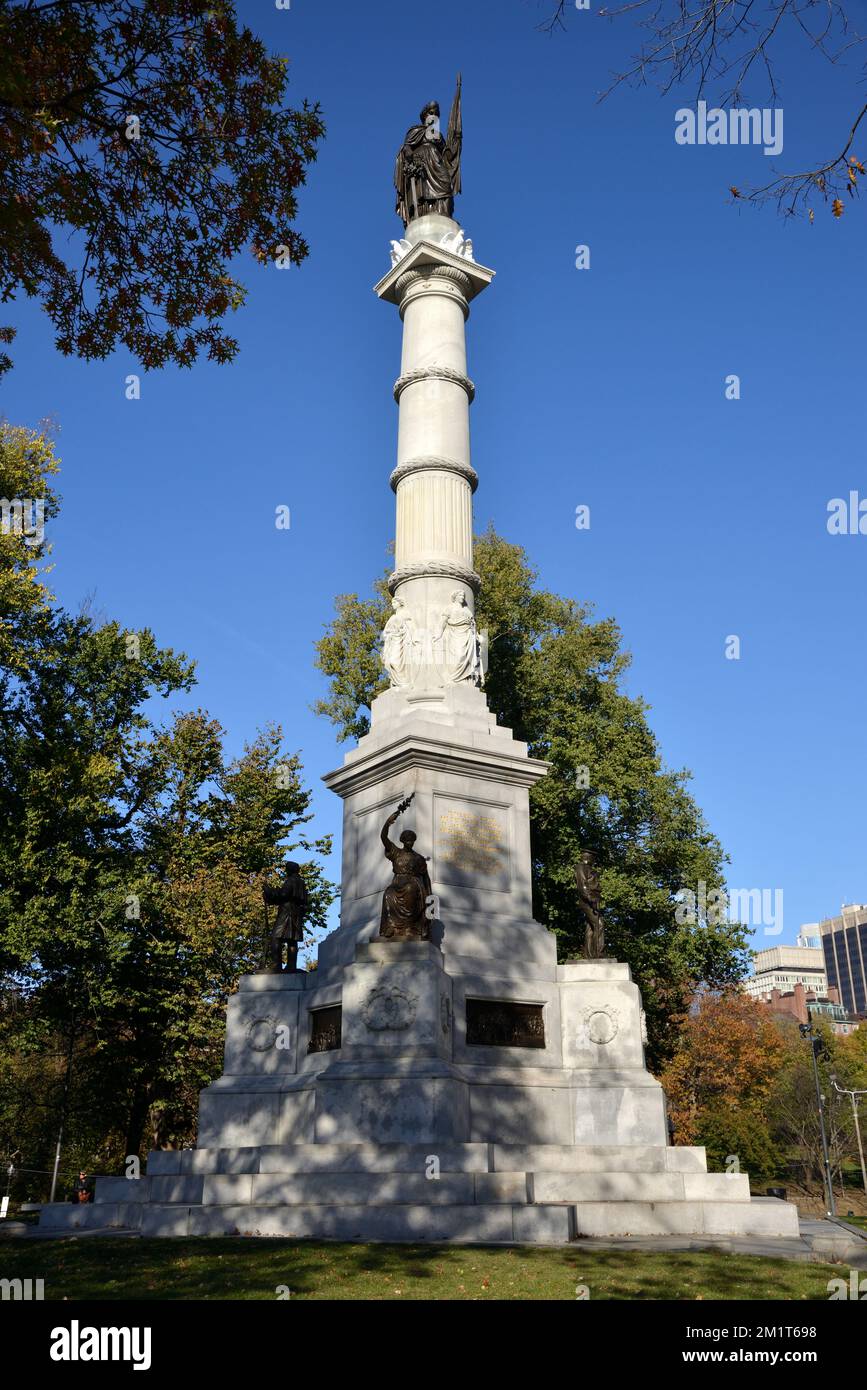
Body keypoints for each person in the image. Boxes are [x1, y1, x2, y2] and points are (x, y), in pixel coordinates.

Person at [263, 862, 309, 973]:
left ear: (289, 870)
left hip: (286, 912)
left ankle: (276, 965)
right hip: (296, 913)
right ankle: (291, 966)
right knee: (292, 939)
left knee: (276, 938)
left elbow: (283, 894)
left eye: (286, 869)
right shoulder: (301, 882)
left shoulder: (291, 880)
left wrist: (270, 891)